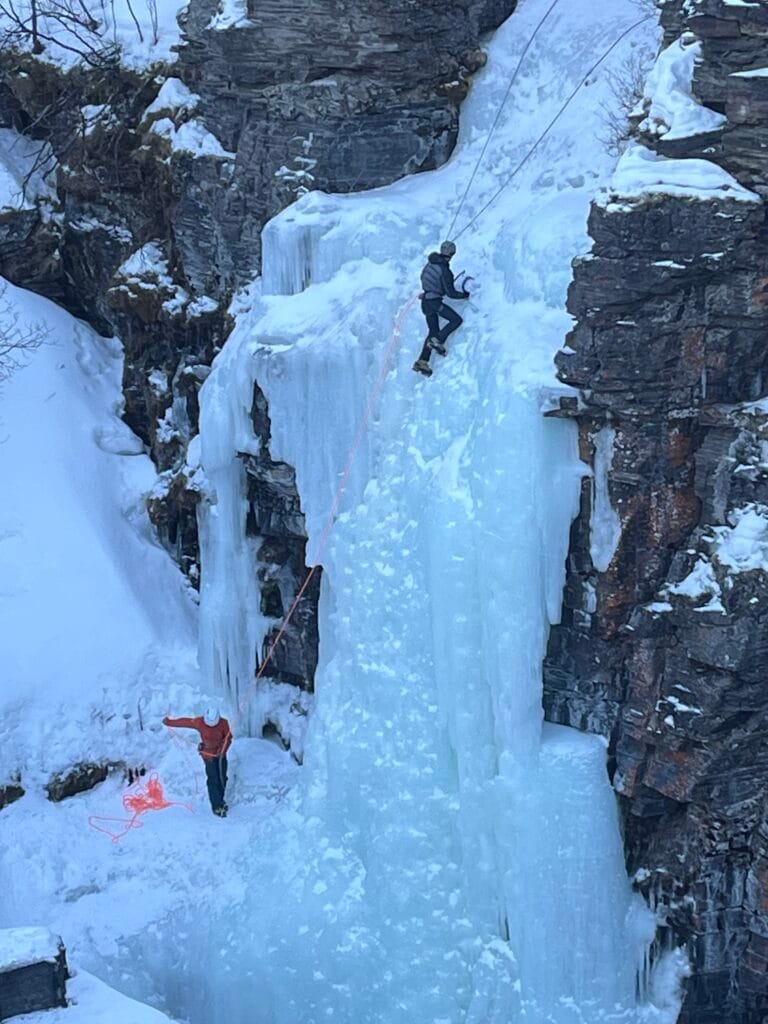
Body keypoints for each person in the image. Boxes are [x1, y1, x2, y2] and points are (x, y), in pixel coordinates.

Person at [413, 240, 472, 377]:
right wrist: (464, 295)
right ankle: (438, 340)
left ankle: (422, 360)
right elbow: (450, 293)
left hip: (426, 302)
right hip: (434, 302)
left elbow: (426, 279)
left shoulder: (430, 263)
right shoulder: (445, 271)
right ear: (451, 254)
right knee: (456, 320)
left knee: (433, 330)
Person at [163, 707, 232, 817]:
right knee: (213, 779)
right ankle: (216, 806)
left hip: (220, 754)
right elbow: (185, 722)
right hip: (208, 756)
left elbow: (228, 738)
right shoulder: (200, 722)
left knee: (223, 777)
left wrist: (222, 752)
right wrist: (169, 722)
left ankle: (221, 799)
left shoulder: (224, 723)